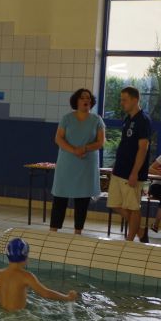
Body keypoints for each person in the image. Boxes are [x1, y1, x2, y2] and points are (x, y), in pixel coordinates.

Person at [50, 88, 106, 234]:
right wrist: (74, 150)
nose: (86, 100)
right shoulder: (67, 119)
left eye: (88, 98)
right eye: (82, 97)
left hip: (86, 165)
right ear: (76, 101)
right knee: (60, 197)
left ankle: (78, 231)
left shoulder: (97, 120)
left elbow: (100, 142)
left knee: (82, 199)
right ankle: (53, 230)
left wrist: (85, 148)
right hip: (67, 163)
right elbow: (58, 138)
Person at [107, 86, 152, 241]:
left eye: (124, 100)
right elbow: (125, 145)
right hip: (120, 169)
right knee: (114, 203)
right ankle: (140, 231)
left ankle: (130, 240)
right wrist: (115, 165)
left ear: (135, 100)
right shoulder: (128, 119)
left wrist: (134, 172)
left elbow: (143, 148)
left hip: (132, 172)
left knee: (133, 207)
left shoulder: (143, 120)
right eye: (121, 100)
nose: (122, 103)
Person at [0, 238, 78, 311]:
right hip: (17, 318)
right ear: (26, 256)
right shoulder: (26, 276)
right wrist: (67, 297)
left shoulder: (0, 273)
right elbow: (45, 293)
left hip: (2, 313)